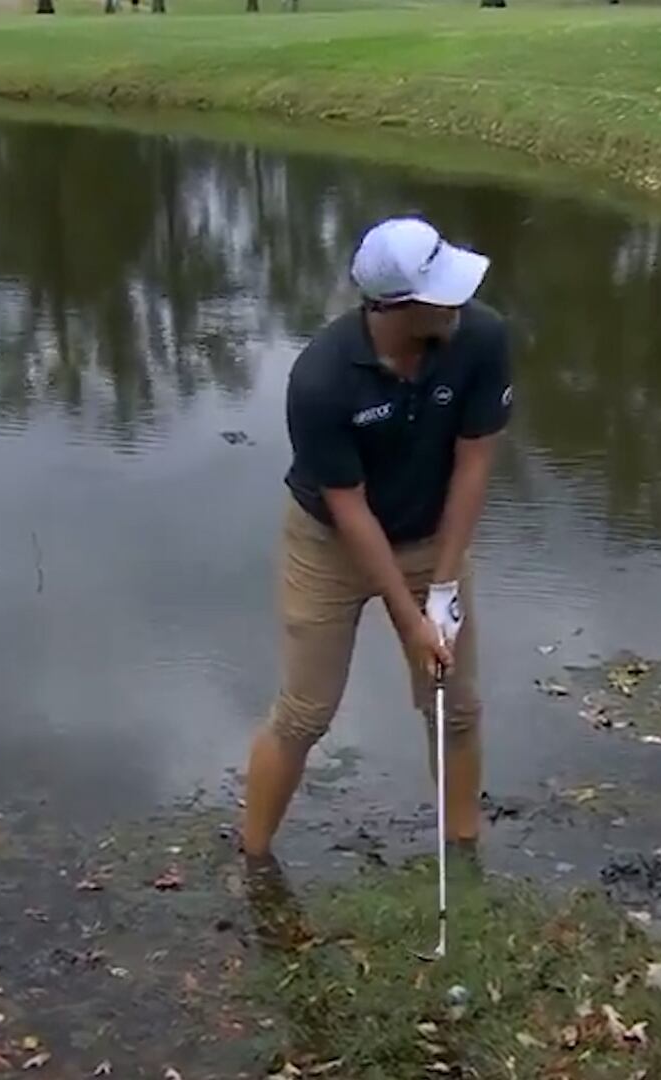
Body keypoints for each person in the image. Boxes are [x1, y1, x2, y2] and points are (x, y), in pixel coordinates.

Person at [239, 215, 512, 863]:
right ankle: (252, 859)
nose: (461, 301)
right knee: (305, 713)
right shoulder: (322, 379)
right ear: (394, 305)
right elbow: (350, 510)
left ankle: (463, 851)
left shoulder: (480, 336)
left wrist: (442, 588)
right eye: (442, 291)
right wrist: (409, 619)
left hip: (431, 538)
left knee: (456, 706)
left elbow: (475, 462)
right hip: (328, 546)